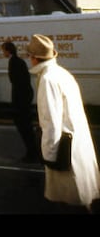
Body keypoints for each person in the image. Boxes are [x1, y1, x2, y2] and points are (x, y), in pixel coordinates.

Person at [27, 33, 100, 212]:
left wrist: (49, 156)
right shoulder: (61, 73)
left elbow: (50, 121)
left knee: (71, 200)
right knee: (80, 197)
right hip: (76, 142)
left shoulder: (47, 79)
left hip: (64, 149)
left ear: (34, 58)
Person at [1, 40, 39, 162]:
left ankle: (32, 153)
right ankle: (33, 152)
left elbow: (18, 83)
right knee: (26, 127)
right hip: (23, 98)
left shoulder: (14, 62)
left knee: (25, 127)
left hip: (21, 100)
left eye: (4, 50)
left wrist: (17, 103)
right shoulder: (18, 61)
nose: (3, 53)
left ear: (8, 50)